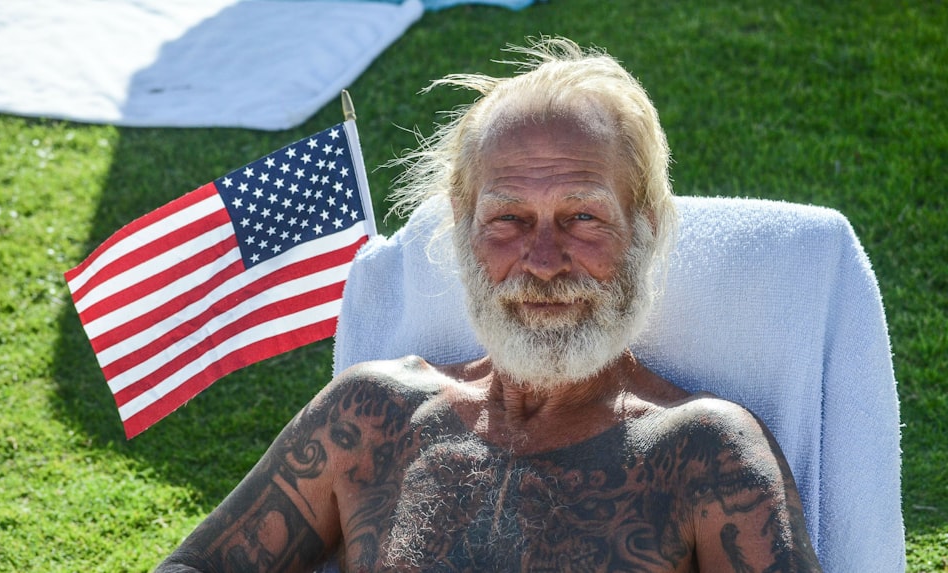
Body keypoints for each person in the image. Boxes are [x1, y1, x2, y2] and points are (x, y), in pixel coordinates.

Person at [155, 36, 822, 572]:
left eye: (583, 217)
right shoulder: (371, 416)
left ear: (644, 227)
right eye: (507, 219)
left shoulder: (703, 453)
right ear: (463, 225)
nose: (542, 260)